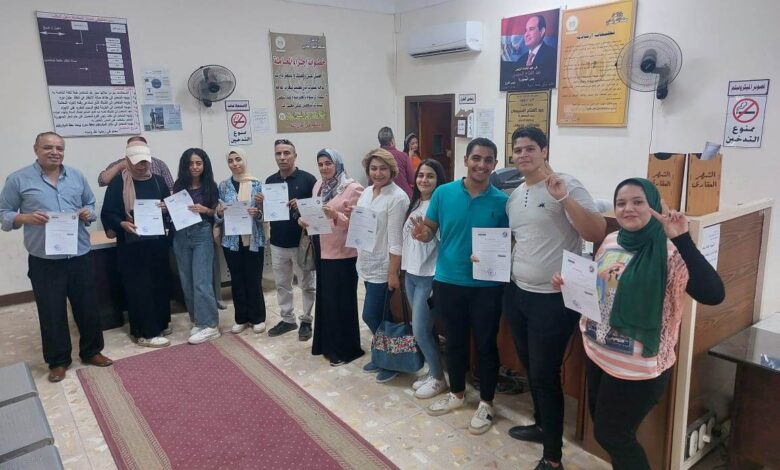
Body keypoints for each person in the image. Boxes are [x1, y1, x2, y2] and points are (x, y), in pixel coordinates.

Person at [553, 178, 724, 470]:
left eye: (637, 202)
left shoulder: (670, 250)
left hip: (639, 368)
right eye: (621, 203)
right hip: (597, 353)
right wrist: (570, 285)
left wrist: (682, 238)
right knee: (606, 431)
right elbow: (602, 287)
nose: (628, 208)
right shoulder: (611, 240)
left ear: (654, 206)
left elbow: (713, 294)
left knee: (614, 436)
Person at [503, 126, 606, 470]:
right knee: (531, 369)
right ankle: (542, 425)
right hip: (518, 293)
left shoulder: (566, 185)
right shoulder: (515, 195)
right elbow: (521, 240)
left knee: (545, 374)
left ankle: (552, 457)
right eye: (518, 149)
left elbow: (595, 231)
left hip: (553, 299)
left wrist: (563, 199)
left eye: (530, 148)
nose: (523, 155)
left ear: (544, 151)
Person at [410, 137, 508, 435]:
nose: (481, 164)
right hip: (448, 281)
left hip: (487, 286)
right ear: (466, 160)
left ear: (495, 164)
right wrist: (422, 233)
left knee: (486, 345)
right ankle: (456, 393)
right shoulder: (443, 193)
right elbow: (431, 231)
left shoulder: (503, 201)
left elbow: (510, 242)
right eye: (476, 158)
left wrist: (497, 254)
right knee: (453, 341)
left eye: (488, 160)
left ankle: (487, 402)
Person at [0, 132, 113, 382]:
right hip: (45, 261)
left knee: (87, 307)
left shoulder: (76, 176)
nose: (54, 152)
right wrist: (25, 218)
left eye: (59, 148)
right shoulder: (18, 179)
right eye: (48, 147)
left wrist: (87, 213)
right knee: (51, 312)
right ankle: (58, 361)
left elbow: (90, 204)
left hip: (79, 254)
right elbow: (4, 213)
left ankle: (92, 351)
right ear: (36, 149)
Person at [101, 144, 172, 348]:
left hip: (157, 243)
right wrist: (121, 223)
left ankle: (160, 323)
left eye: (145, 162)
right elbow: (108, 213)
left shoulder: (158, 181)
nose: (142, 166)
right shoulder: (119, 183)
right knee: (138, 287)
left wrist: (166, 207)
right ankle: (144, 332)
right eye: (137, 163)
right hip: (132, 245)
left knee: (158, 283)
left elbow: (170, 206)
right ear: (128, 162)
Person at [300, 148, 365, 366]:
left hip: (343, 253)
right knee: (326, 300)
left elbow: (359, 224)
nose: (324, 168)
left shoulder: (353, 188)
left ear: (337, 164)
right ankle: (325, 344)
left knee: (341, 302)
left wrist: (335, 215)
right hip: (322, 248)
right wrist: (305, 221)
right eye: (320, 164)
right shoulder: (318, 185)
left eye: (328, 163)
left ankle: (345, 349)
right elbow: (315, 215)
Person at [351, 148, 409, 383]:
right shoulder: (366, 192)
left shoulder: (397, 198)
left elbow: (396, 241)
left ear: (392, 170)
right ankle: (382, 355)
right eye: (373, 168)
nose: (377, 173)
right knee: (383, 317)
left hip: (384, 267)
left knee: (372, 315)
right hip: (367, 262)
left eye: (383, 168)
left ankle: (394, 361)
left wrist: (392, 273)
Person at [257, 138, 317, 340]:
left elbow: (317, 212)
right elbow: (267, 214)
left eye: (286, 153)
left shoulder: (308, 180)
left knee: (307, 284)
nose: (282, 157)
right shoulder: (270, 182)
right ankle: (288, 319)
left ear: (295, 155)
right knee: (282, 284)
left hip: (301, 243)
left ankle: (306, 320)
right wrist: (262, 205)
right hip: (277, 242)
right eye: (278, 153)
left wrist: (301, 205)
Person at [402, 159, 447, 399]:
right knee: (423, 330)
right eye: (420, 175)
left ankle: (439, 378)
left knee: (420, 331)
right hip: (411, 273)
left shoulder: (440, 205)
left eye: (430, 176)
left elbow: (440, 240)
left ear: (439, 180)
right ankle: (433, 371)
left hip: (429, 277)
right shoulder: (415, 203)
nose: (424, 180)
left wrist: (426, 235)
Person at [172, 148, 221, 345]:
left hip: (202, 233)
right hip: (181, 234)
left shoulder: (211, 185)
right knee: (187, 280)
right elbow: (176, 210)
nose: (194, 167)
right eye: (190, 163)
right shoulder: (179, 185)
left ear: (204, 165)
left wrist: (205, 209)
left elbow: (216, 212)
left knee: (202, 280)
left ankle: (210, 325)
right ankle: (198, 320)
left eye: (198, 163)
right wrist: (167, 208)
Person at [215, 147, 266, 335]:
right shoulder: (223, 186)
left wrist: (258, 211)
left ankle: (258, 318)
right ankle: (241, 318)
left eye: (238, 159)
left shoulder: (257, 184)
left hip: (253, 240)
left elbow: (265, 216)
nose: (235, 163)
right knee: (237, 280)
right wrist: (220, 213)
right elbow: (218, 216)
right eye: (231, 160)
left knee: (254, 279)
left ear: (244, 160)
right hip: (231, 242)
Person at [97, 135, 174, 191]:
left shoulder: (159, 164)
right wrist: (120, 166)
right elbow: (102, 181)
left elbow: (170, 188)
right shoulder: (120, 164)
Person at [378, 127, 415, 198]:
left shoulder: (375, 158)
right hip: (405, 196)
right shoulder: (403, 156)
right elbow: (412, 180)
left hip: (383, 197)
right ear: (392, 140)